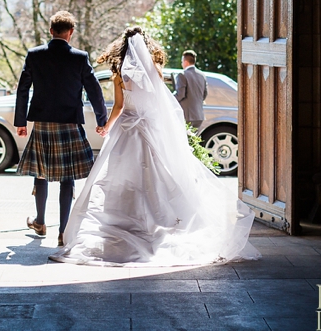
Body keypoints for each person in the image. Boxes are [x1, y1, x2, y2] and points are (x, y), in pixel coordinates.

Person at [50, 27, 260, 267]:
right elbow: (160, 104)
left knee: (121, 177)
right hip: (150, 128)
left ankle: (123, 222)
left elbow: (119, 106)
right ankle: (158, 221)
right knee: (156, 176)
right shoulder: (155, 71)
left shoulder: (119, 73)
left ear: (122, 48)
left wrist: (107, 126)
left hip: (127, 129)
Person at [14, 11, 108, 247]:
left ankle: (40, 222)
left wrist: (21, 122)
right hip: (69, 122)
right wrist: (101, 120)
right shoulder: (79, 57)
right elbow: (95, 90)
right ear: (71, 32)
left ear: (51, 31)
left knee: (41, 171)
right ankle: (63, 232)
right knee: (67, 177)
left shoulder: (34, 55)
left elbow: (23, 89)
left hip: (43, 123)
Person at [174, 49, 208, 129]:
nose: (182, 63)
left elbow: (180, 95)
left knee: (184, 140)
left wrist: (170, 98)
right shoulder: (202, 75)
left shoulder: (182, 75)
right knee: (194, 140)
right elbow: (205, 93)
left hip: (187, 115)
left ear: (185, 62)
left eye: (182, 61)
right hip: (199, 116)